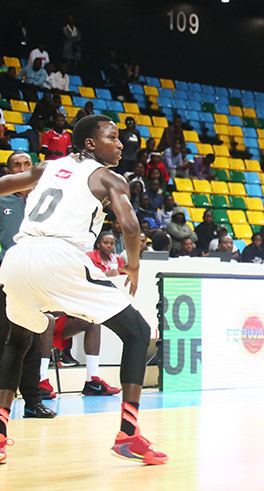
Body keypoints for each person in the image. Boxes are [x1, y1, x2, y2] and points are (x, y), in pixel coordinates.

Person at [0, 114, 167, 464]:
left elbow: (5, 183)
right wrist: (133, 264)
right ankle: (128, 433)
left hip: (18, 257)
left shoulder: (47, 166)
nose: (121, 144)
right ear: (90, 144)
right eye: (113, 137)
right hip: (58, 256)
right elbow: (131, 226)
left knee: (18, 340)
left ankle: (0, 435)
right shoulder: (107, 177)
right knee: (138, 331)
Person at [0, 151, 55, 419]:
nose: (22, 169)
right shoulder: (1, 201)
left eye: (26, 165)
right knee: (5, 340)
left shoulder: (45, 201)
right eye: (16, 166)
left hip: (37, 278)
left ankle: (32, 401)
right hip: (6, 278)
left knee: (34, 340)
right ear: (9, 171)